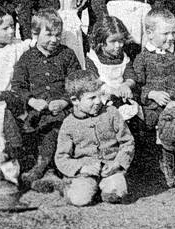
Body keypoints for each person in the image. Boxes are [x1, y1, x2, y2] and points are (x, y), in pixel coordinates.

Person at [8, 10, 82, 188]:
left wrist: (65, 100)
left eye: (58, 35)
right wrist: (32, 101)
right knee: (45, 126)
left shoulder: (67, 55)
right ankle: (48, 169)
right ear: (35, 34)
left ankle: (44, 167)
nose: (54, 40)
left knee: (59, 124)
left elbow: (77, 82)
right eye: (49, 35)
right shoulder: (27, 58)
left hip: (63, 109)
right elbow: (18, 86)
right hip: (36, 111)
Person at [122, 9, 175, 188]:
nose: (171, 37)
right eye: (165, 33)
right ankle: (155, 165)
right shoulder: (142, 58)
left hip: (174, 105)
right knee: (144, 125)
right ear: (149, 34)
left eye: (173, 32)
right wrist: (151, 94)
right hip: (151, 106)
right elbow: (137, 85)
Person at [54, 71, 135, 206]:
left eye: (99, 96)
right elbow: (61, 157)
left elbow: (127, 142)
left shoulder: (111, 113)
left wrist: (117, 164)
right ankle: (74, 187)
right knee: (79, 199)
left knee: (117, 193)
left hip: (110, 168)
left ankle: (103, 187)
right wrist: (81, 169)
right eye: (92, 98)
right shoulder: (69, 124)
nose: (98, 101)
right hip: (85, 172)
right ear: (75, 100)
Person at [86, 18, 138, 122]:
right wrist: (112, 91)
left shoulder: (123, 57)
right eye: (113, 41)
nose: (119, 45)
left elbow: (130, 75)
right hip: (103, 96)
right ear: (100, 42)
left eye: (121, 41)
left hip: (121, 95)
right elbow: (94, 81)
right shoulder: (93, 59)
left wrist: (126, 85)